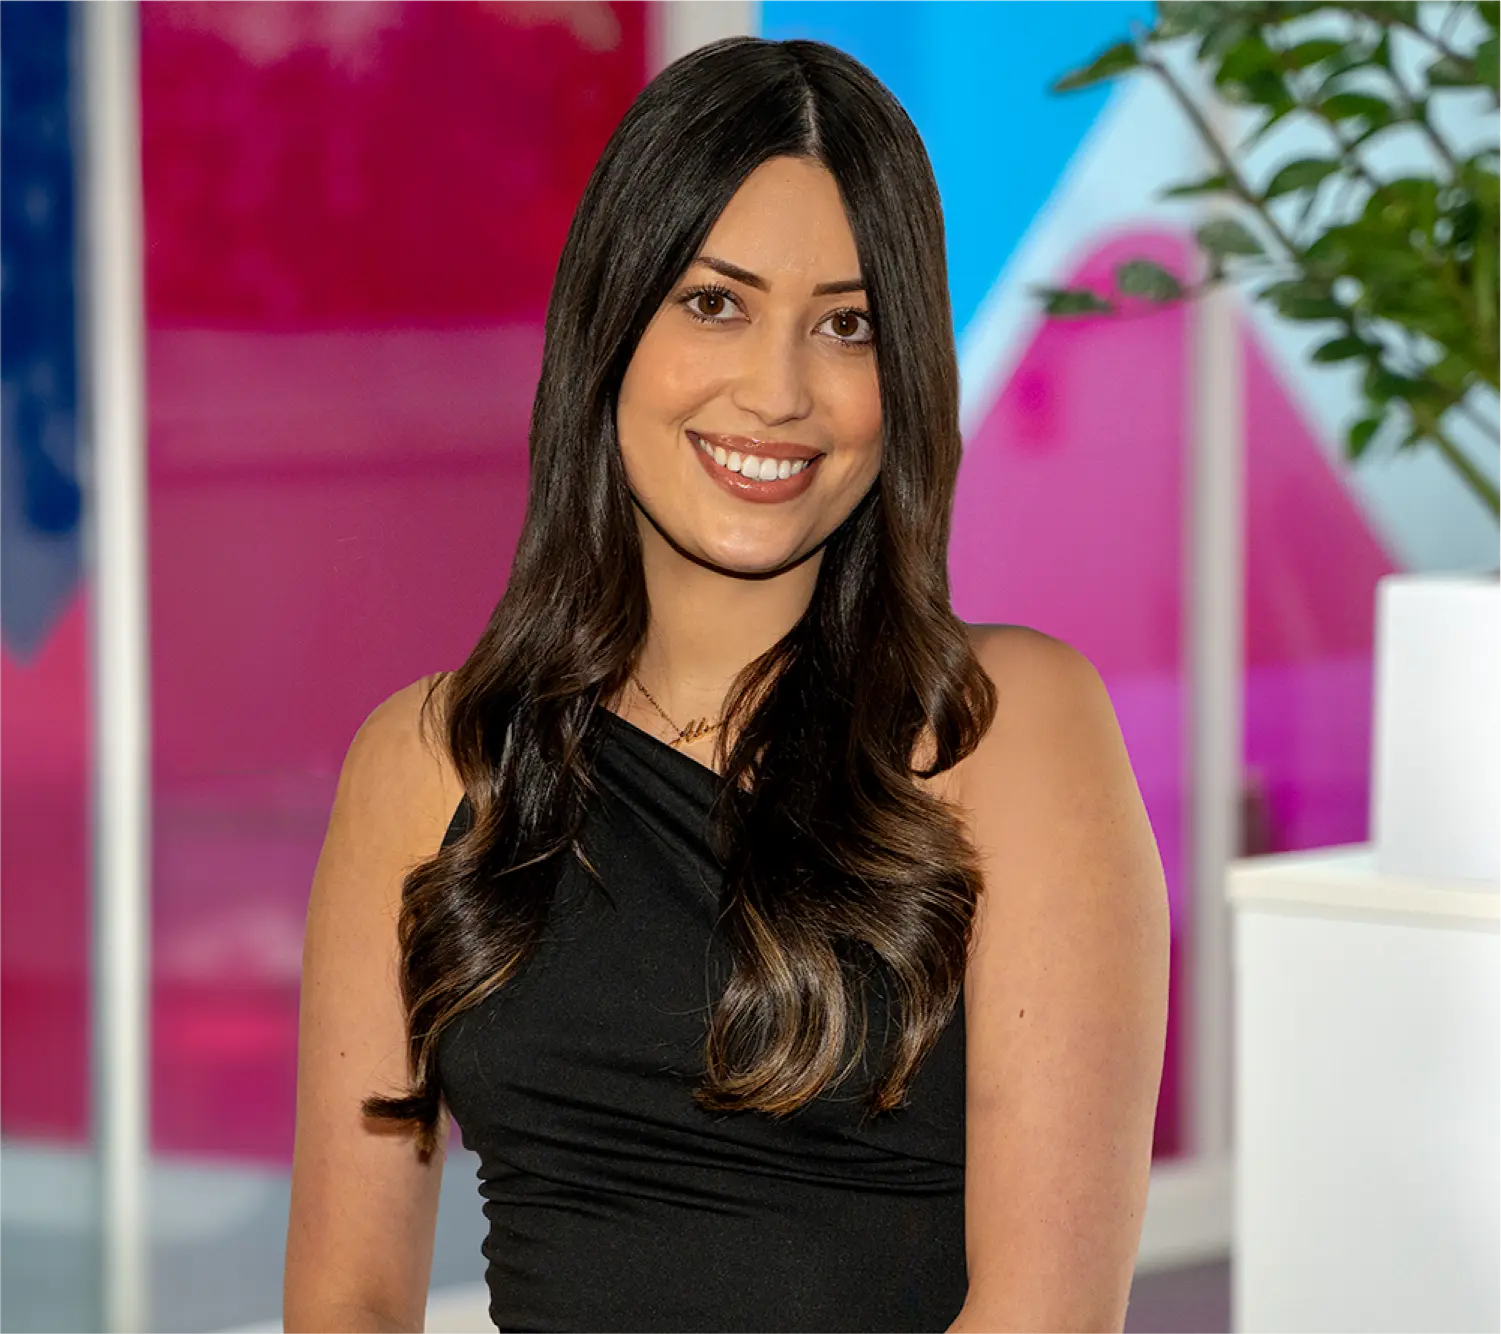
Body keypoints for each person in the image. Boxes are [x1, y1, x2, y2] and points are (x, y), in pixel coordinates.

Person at [284, 35, 1169, 1334]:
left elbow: (1045, 1313)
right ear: (615, 322)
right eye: (717, 302)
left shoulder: (1009, 727)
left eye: (846, 324)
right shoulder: (430, 762)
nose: (778, 390)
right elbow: (349, 1298)